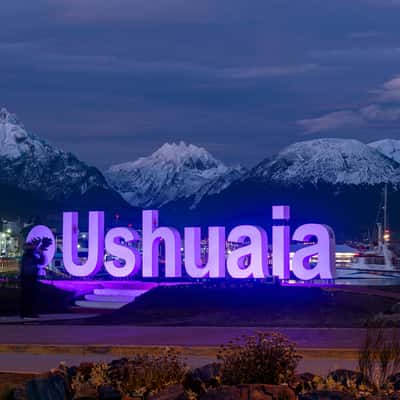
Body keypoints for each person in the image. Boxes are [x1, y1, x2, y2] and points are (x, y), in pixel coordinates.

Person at [20, 237, 52, 319]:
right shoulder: (27, 256)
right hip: (27, 278)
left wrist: (40, 251)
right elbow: (41, 261)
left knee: (30, 296)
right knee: (28, 296)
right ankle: (27, 313)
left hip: (30, 278)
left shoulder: (31, 256)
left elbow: (42, 261)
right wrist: (39, 250)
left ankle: (29, 313)